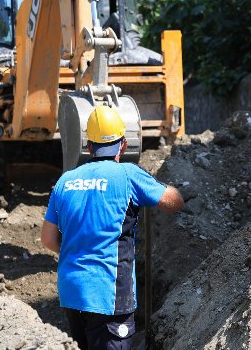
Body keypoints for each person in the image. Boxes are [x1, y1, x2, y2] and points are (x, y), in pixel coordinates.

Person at [40, 105, 184, 350]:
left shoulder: (65, 181)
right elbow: (174, 201)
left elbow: (47, 238)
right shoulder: (128, 174)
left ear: (88, 147)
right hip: (107, 292)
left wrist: (78, 251)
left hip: (72, 290)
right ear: (123, 145)